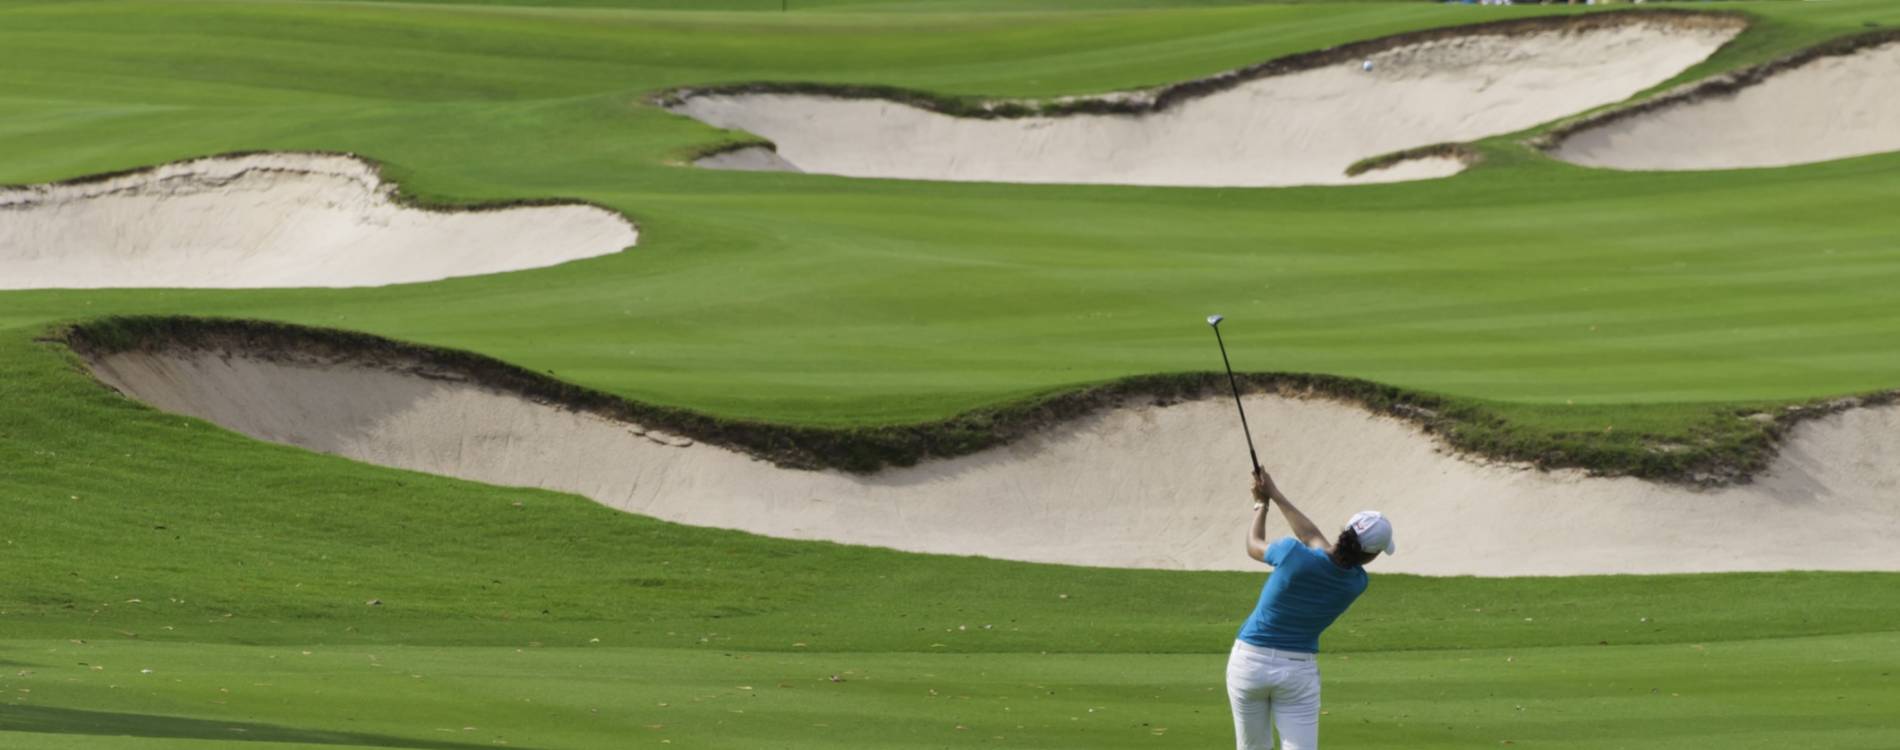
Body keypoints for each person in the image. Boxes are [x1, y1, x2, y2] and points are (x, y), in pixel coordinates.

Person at [1226, 468, 1395, 750]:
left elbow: (1253, 545)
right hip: (1296, 673)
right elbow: (1315, 540)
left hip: (1249, 663)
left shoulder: (1291, 553)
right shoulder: (1355, 583)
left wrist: (1262, 504)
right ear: (1371, 555)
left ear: (1345, 533)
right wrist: (1275, 495)